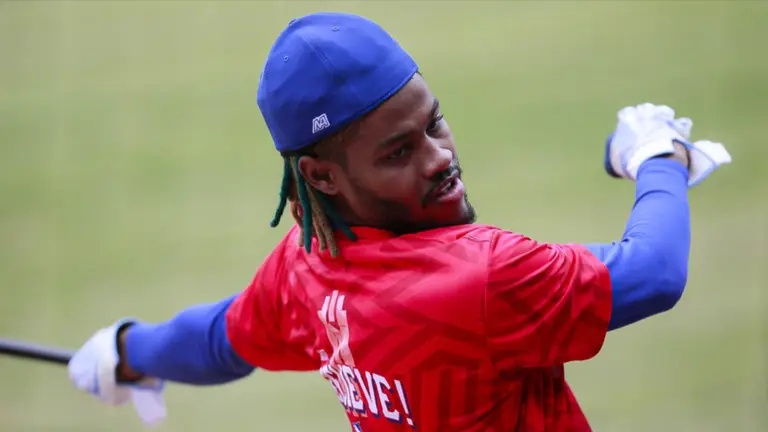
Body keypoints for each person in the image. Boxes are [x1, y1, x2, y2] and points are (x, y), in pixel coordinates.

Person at [66, 12, 732, 432]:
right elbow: (653, 272)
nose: (440, 157)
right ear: (321, 177)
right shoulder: (477, 280)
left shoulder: (308, 267)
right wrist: (657, 155)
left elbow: (220, 340)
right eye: (398, 152)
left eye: (434, 122)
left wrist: (127, 350)